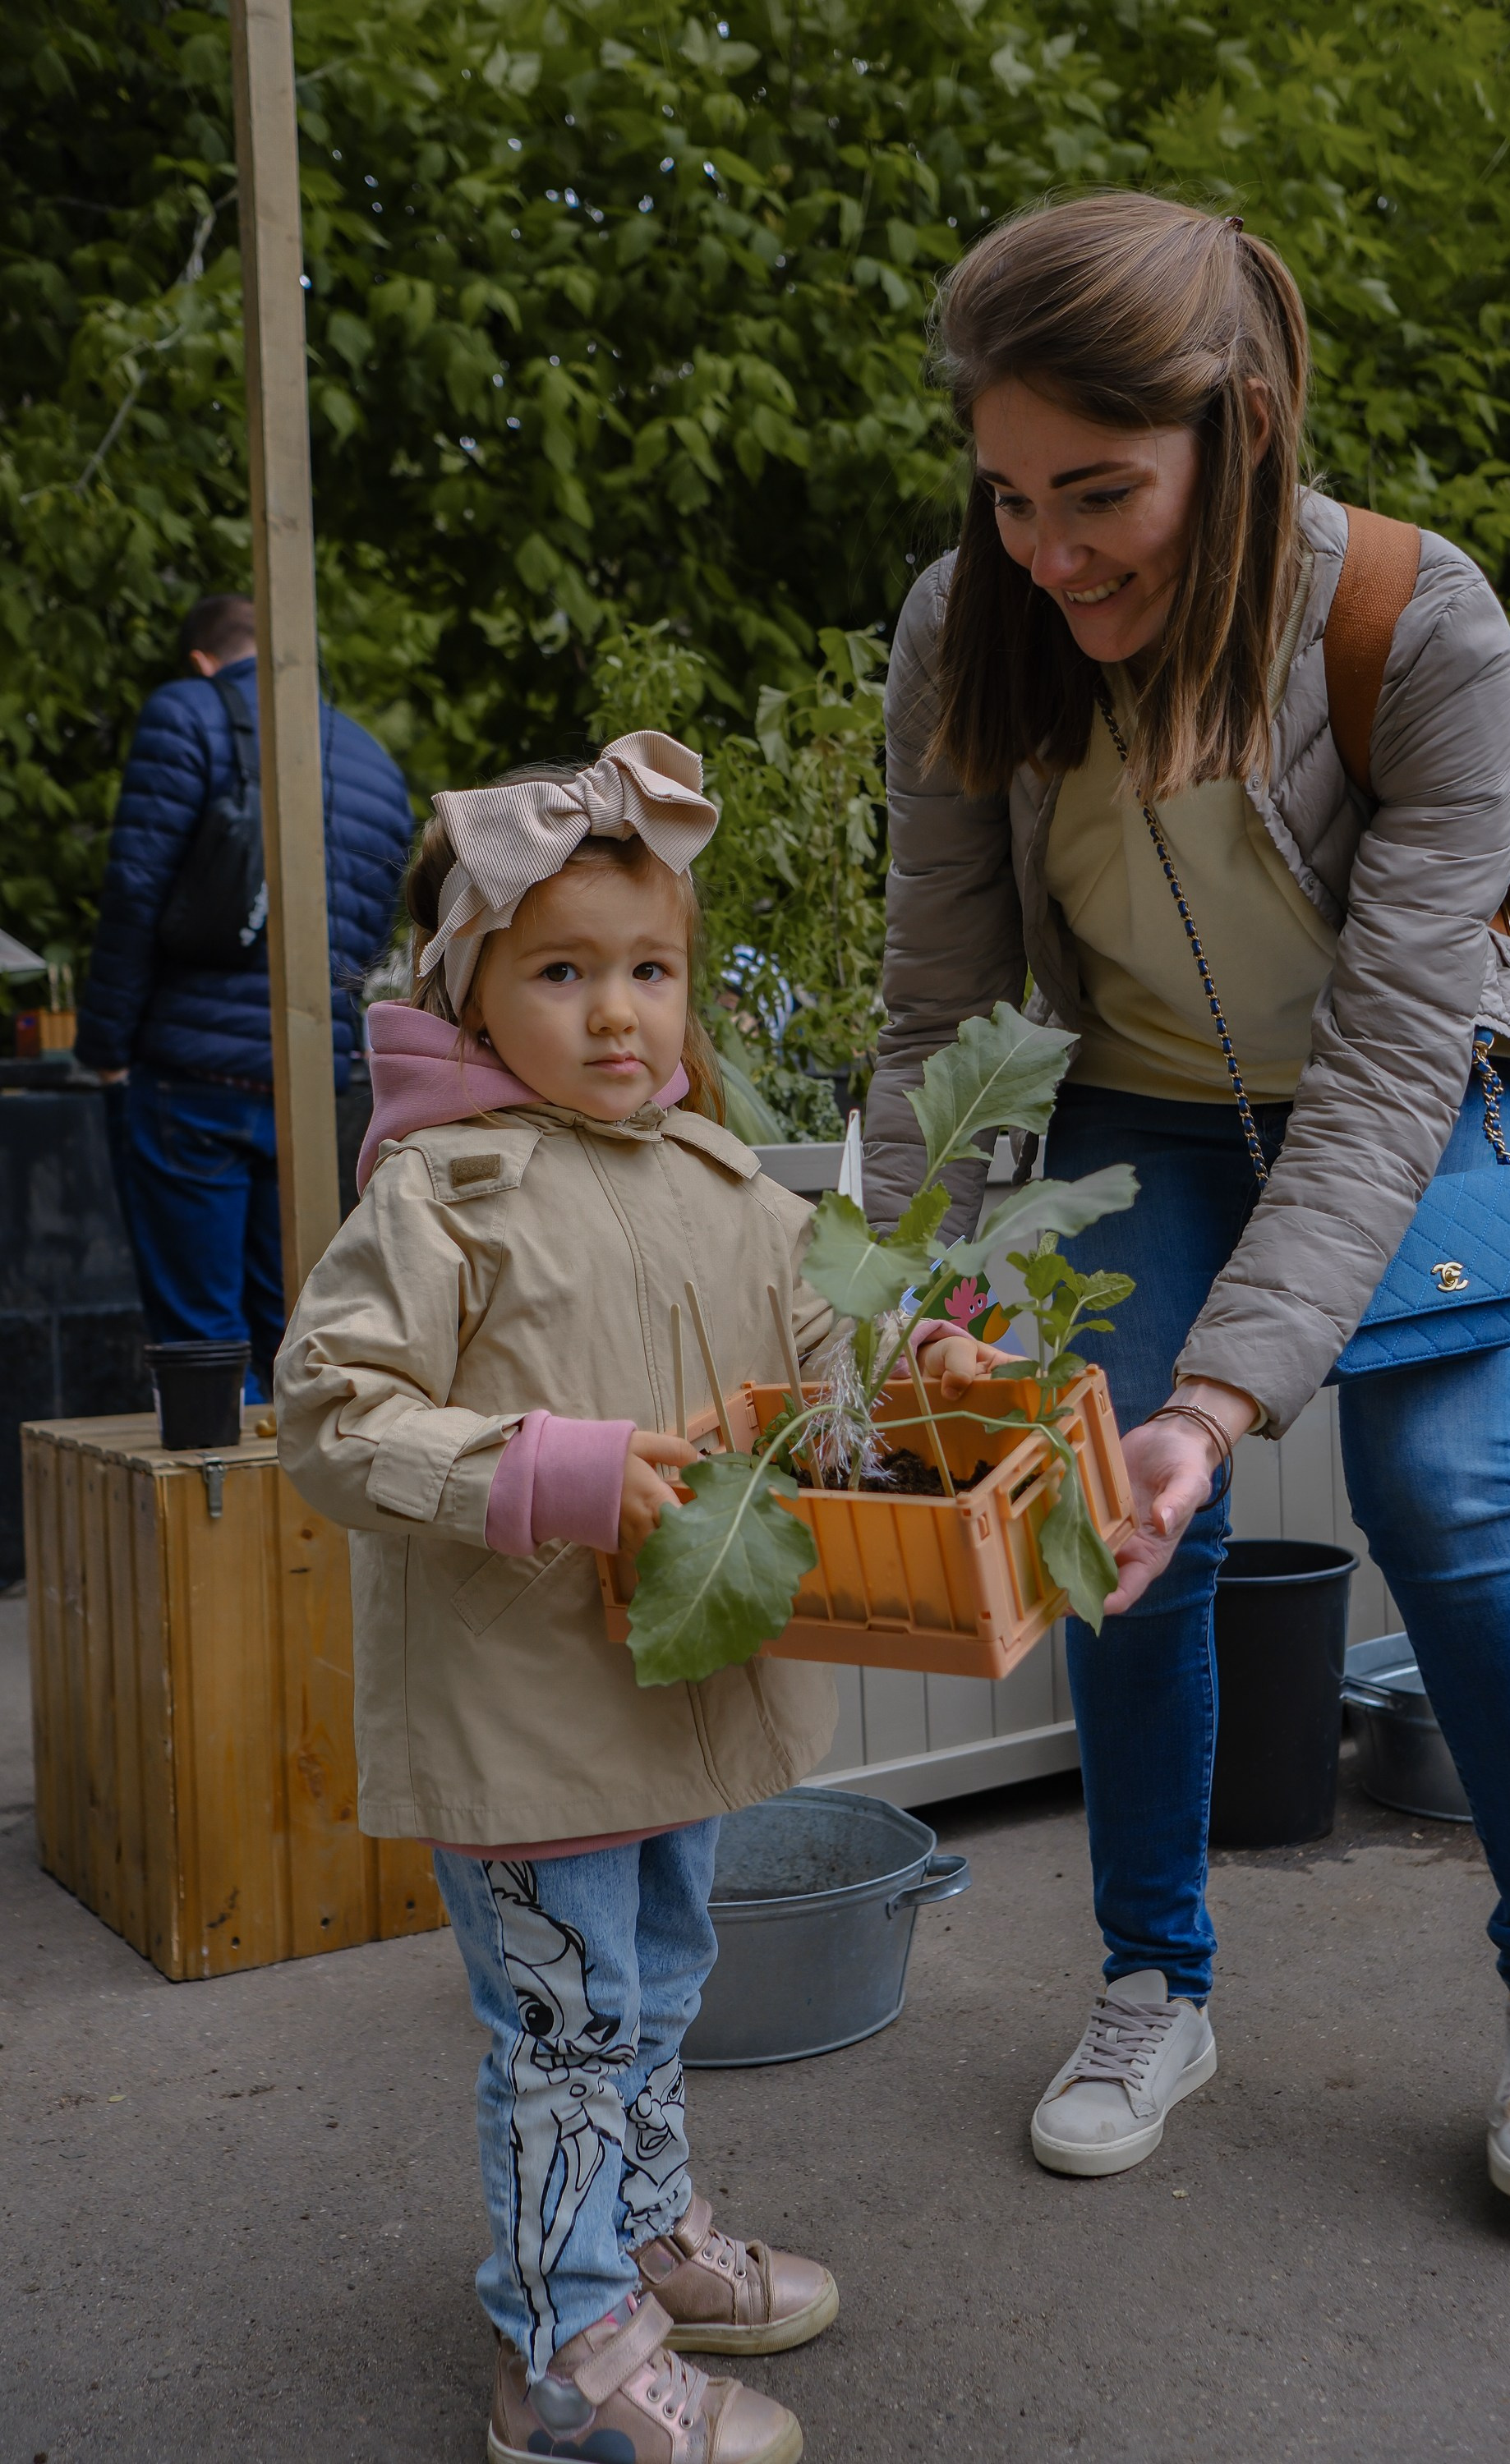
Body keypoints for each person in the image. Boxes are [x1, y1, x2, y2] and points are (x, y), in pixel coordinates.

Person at [862, 191, 1510, 2213]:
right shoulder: (967, 625)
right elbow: (936, 1008)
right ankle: (1149, 1981)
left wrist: (1218, 1404)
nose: (1046, 550)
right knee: (1106, 1519)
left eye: (1095, 491)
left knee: (1439, 1489)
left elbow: (1383, 1070)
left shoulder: (1417, 625)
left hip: (1406, 1083)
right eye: (1008, 493)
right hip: (1134, 1098)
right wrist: (928, 1285)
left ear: (1242, 421)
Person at [274, 733, 1001, 2462]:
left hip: (678, 1691)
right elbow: (327, 1416)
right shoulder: (443, 1197)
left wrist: (929, 1373)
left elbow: (824, 1359)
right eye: (562, 972)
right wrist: (552, 1472)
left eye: (650, 971)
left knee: (657, 1990)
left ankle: (642, 2243)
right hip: (527, 1718)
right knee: (565, 2025)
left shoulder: (727, 1188)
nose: (619, 1015)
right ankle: (563, 2357)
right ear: (468, 997)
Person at [76, 592, 412, 1392]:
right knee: (295, 1334)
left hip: (192, 1080)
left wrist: (106, 1050)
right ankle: (295, 1516)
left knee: (202, 1345)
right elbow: (364, 943)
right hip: (311, 1093)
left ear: (203, 659)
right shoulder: (370, 761)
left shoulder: (184, 713)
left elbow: (134, 891)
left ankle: (216, 1504)